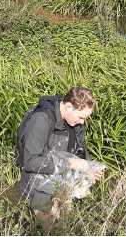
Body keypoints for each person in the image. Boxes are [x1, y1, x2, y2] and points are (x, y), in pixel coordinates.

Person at [18, 87, 103, 231]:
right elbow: (31, 162)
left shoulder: (73, 121)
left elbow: (80, 147)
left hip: (63, 183)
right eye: (81, 117)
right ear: (68, 106)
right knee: (49, 229)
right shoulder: (41, 119)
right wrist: (70, 163)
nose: (82, 123)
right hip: (40, 189)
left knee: (65, 227)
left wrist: (89, 167)